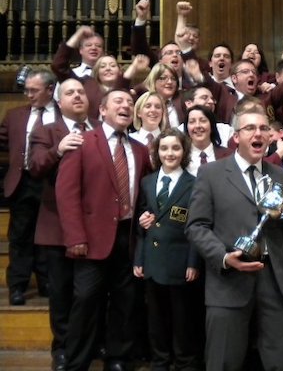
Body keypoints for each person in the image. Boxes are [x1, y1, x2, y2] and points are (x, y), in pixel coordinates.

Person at [185, 107, 283, 371]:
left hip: (274, 280)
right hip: (228, 279)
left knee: (280, 360)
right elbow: (196, 226)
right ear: (236, 137)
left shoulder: (280, 175)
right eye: (250, 128)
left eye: (264, 128)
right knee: (223, 360)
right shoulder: (211, 174)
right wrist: (224, 258)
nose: (259, 133)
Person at [55, 89, 152, 370]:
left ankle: (117, 357)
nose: (126, 106)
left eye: (130, 103)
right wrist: (75, 236)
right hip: (90, 238)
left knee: (126, 301)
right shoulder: (82, 143)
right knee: (85, 302)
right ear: (102, 110)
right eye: (119, 101)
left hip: (128, 237)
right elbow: (67, 193)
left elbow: (144, 194)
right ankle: (77, 361)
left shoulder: (139, 149)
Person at [28, 78, 100, 371]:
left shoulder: (98, 128)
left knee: (90, 293)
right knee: (61, 293)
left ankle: (87, 345)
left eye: (81, 91)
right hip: (56, 227)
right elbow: (33, 168)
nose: (77, 96)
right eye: (70, 93)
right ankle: (61, 349)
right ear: (59, 101)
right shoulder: (47, 131)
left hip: (94, 226)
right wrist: (58, 150)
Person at [134, 128, 201, 370]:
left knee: (182, 318)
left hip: (180, 261)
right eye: (164, 148)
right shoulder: (147, 182)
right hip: (152, 260)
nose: (169, 153)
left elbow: (197, 227)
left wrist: (193, 262)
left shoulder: (194, 184)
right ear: (157, 151)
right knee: (156, 318)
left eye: (175, 148)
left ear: (184, 152)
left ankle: (184, 361)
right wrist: (138, 259)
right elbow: (142, 223)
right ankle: (160, 360)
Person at [0, 70, 58, 305]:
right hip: (23, 183)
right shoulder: (14, 116)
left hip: (52, 183)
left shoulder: (62, 115)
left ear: (50, 90)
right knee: (20, 236)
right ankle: (18, 285)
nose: (28, 94)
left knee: (48, 236)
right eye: (27, 90)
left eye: (34, 90)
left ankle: (46, 282)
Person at [184, 105, 230, 176]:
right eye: (192, 122)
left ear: (211, 125)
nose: (197, 126)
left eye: (203, 121)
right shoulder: (181, 157)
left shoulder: (229, 156)